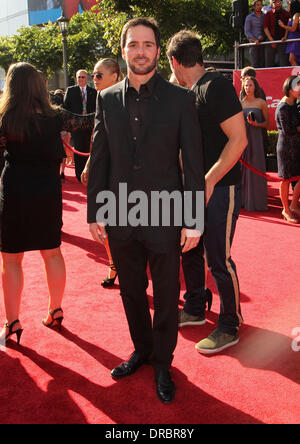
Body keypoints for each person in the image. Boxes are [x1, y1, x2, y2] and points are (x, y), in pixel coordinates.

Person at [87, 17, 204, 403]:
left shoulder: (182, 100)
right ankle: (142, 350)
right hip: (120, 215)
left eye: (148, 45)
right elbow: (100, 157)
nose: (141, 51)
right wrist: (96, 211)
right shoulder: (105, 99)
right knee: (132, 292)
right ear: (124, 51)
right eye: (133, 44)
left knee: (168, 295)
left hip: (165, 215)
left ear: (158, 50)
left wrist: (194, 220)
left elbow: (193, 162)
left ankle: (163, 363)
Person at [0, 62, 94, 345]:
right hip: (47, 189)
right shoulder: (56, 116)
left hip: (14, 188)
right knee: (52, 252)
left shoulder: (5, 118)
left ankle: (12, 321)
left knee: (11, 258)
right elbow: (90, 120)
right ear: (40, 87)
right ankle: (56, 309)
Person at [167, 30, 248, 354]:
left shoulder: (215, 87)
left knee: (218, 258)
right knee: (189, 249)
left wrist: (210, 180)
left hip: (220, 189)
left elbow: (238, 139)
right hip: (194, 189)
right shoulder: (192, 91)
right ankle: (195, 306)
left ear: (174, 61)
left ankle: (230, 325)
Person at [81, 59, 123, 288]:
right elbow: (99, 139)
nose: (93, 80)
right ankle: (114, 263)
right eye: (93, 75)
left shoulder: (123, 99)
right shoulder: (101, 99)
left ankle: (120, 264)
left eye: (99, 75)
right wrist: (90, 163)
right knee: (105, 221)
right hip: (105, 171)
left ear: (115, 76)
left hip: (124, 176)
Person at [240, 76, 269, 211]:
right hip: (243, 139)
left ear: (255, 87)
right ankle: (242, 200)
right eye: (246, 86)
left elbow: (267, 123)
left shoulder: (261, 103)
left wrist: (256, 124)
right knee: (243, 169)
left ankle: (257, 201)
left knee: (256, 168)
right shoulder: (241, 103)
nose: (248, 88)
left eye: (250, 85)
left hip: (256, 138)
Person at [63, 69, 97, 182]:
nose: (81, 79)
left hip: (89, 125)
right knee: (78, 148)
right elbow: (65, 108)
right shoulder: (71, 91)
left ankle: (87, 172)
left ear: (87, 78)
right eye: (79, 77)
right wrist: (67, 127)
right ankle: (78, 174)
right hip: (76, 125)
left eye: (83, 77)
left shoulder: (93, 91)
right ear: (76, 78)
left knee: (88, 148)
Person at [275, 75, 300, 223]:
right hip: (286, 148)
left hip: (296, 146)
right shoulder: (283, 107)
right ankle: (286, 209)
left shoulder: (294, 103)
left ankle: (294, 204)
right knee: (286, 179)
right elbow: (287, 130)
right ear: (290, 90)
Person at [264, 0, 290, 67]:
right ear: (272, 4)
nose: (277, 4)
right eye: (275, 3)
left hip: (282, 40)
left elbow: (288, 26)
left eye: (279, 2)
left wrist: (285, 37)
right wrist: (271, 40)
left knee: (283, 63)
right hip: (270, 40)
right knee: (269, 63)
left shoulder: (286, 13)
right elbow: (265, 27)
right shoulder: (269, 13)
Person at [244, 0, 266, 68]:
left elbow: (267, 28)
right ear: (254, 7)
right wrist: (255, 39)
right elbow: (247, 31)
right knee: (255, 63)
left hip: (264, 42)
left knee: (263, 63)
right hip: (253, 44)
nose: (260, 6)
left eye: (261, 5)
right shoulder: (249, 17)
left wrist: (263, 36)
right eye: (258, 5)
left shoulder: (265, 16)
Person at [279, 0, 300, 65]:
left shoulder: (297, 15)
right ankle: (297, 73)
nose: (287, 6)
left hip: (296, 40)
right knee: (292, 60)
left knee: (292, 59)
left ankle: (297, 74)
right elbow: (287, 30)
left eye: (289, 5)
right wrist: (285, 37)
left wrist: (283, 26)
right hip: (291, 40)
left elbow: (293, 29)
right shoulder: (291, 17)